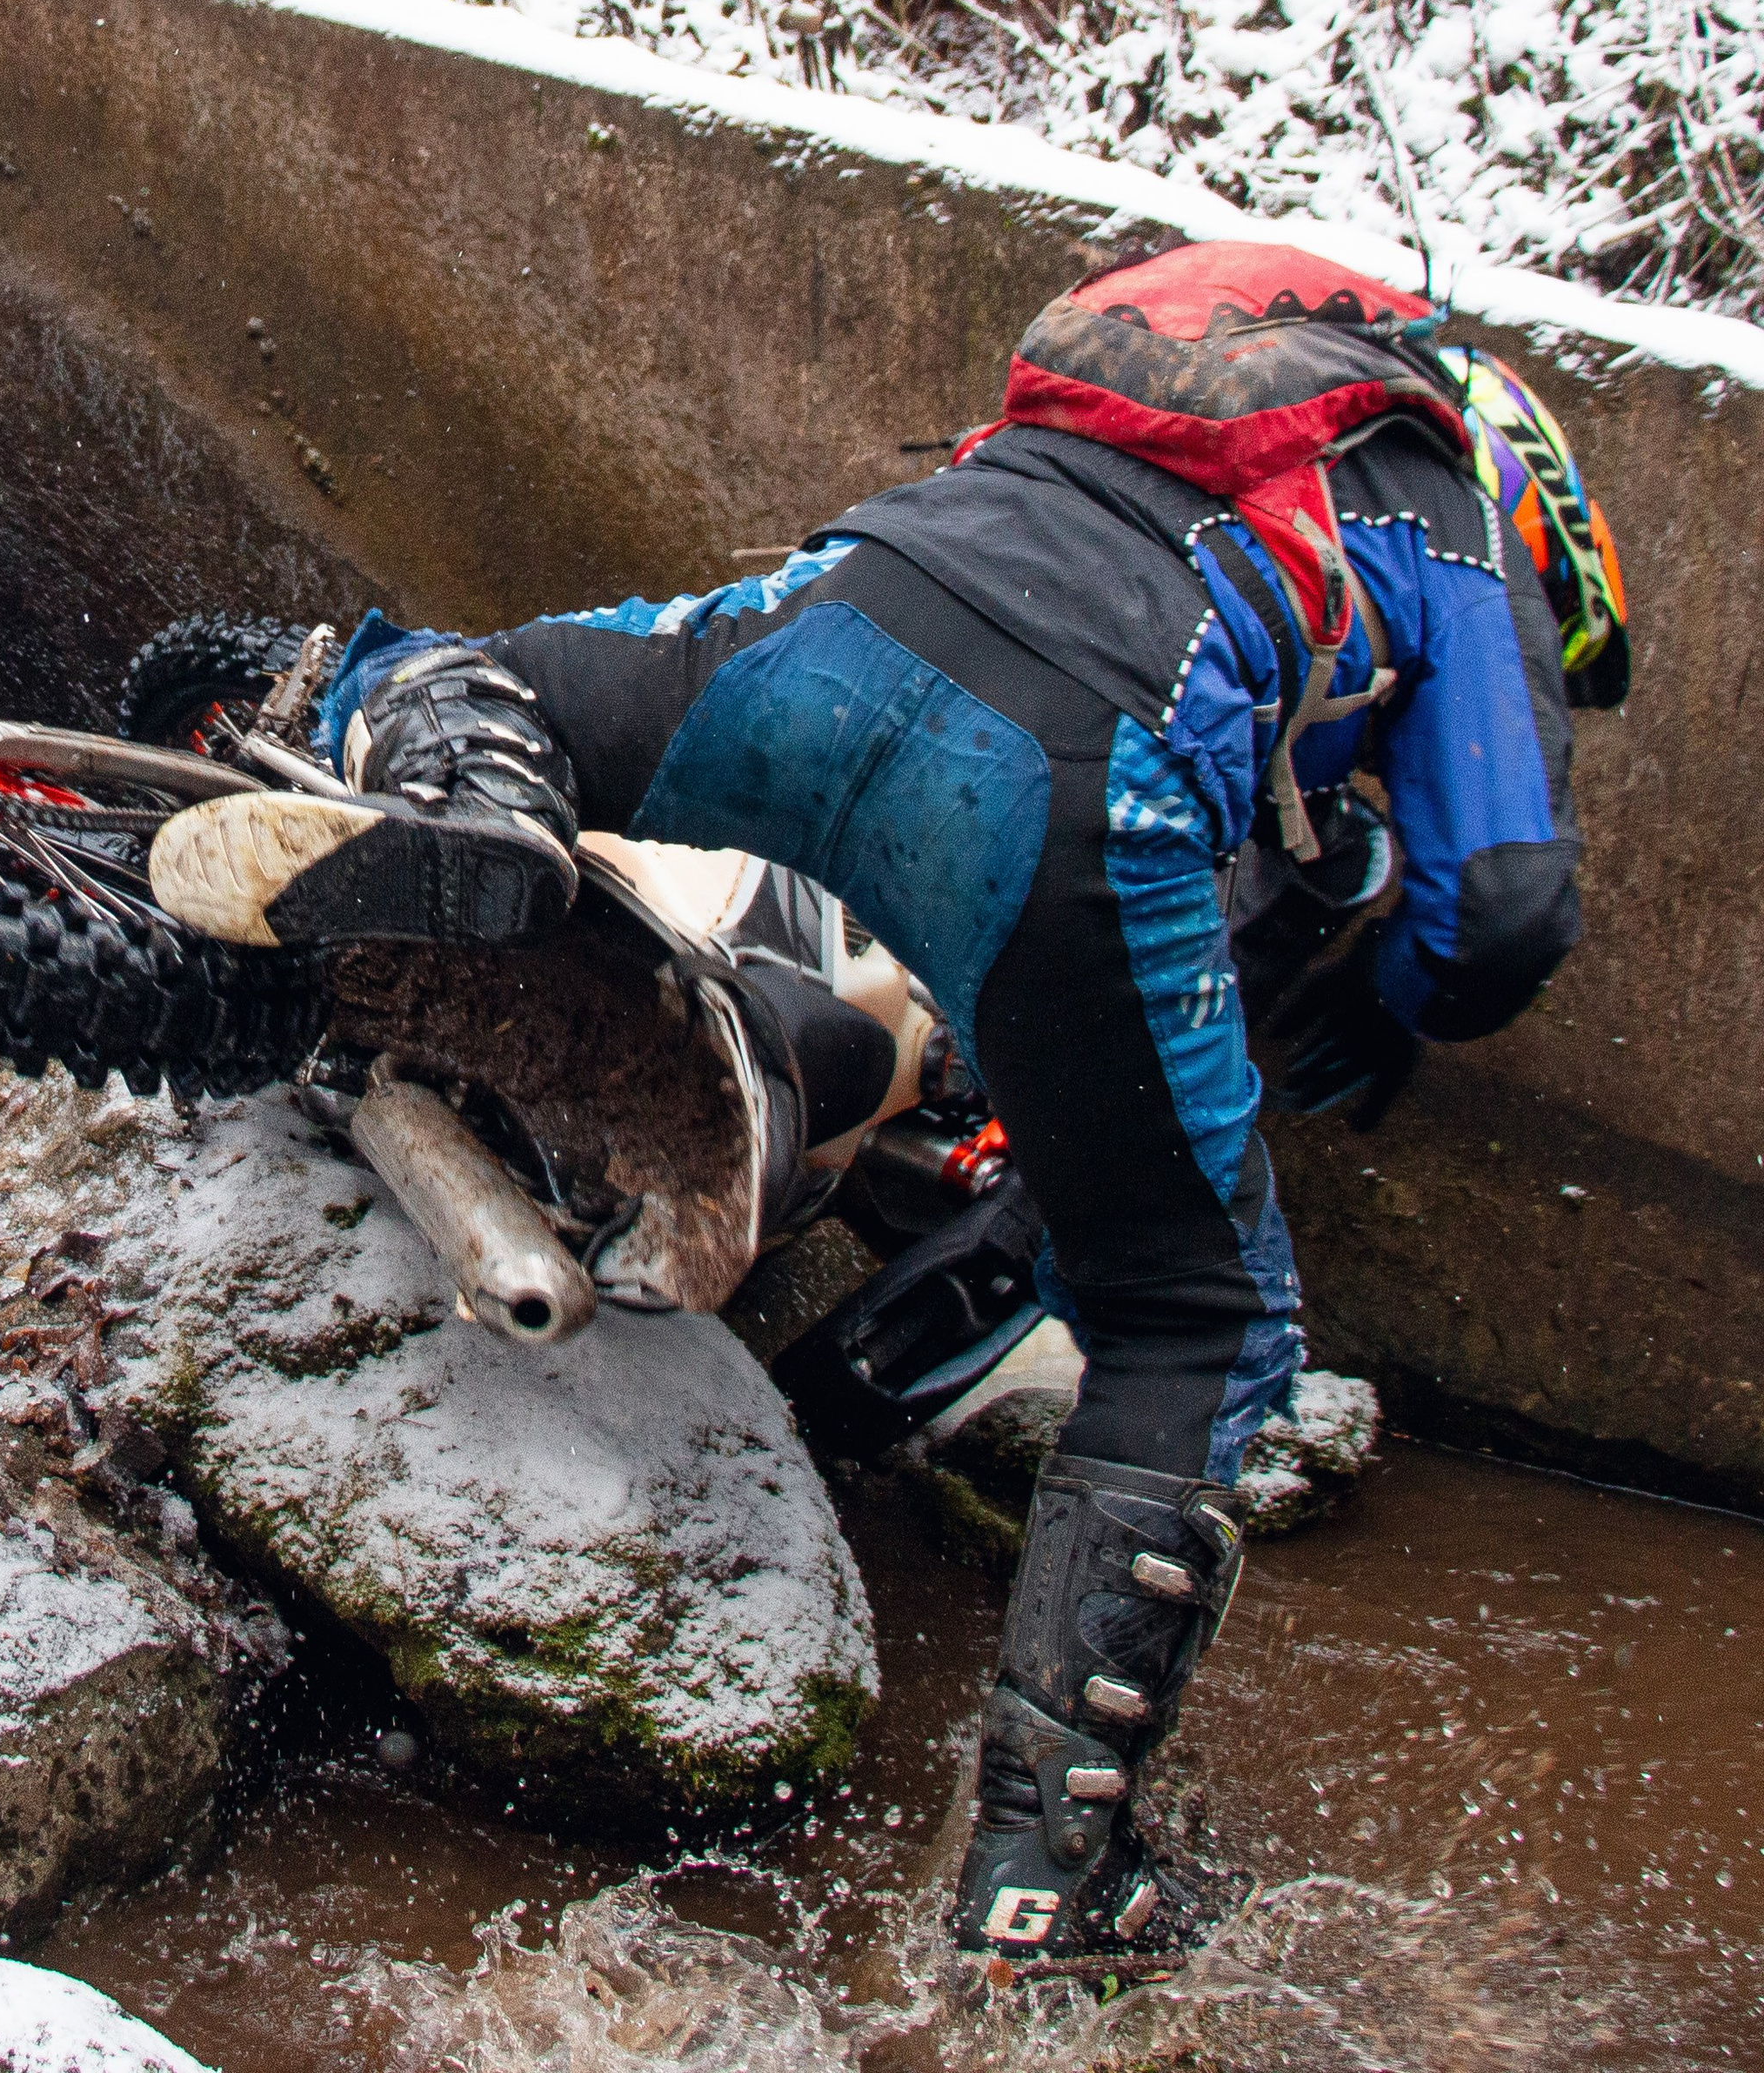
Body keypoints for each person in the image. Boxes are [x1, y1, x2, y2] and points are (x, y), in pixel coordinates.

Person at [147, 242, 1628, 1958]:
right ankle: (1043, 1881)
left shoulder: (1160, 412)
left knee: (487, 673)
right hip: (1068, 780)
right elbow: (1500, 904)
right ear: (1539, 502)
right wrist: (1397, 998)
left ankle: (408, 763)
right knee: (1196, 1322)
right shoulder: (1444, 498)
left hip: (831, 624)